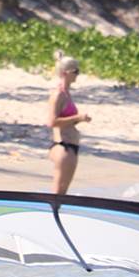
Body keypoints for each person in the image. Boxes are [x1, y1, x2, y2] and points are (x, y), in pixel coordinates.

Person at [46, 52, 87, 195]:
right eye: (76, 71)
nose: (78, 74)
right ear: (65, 73)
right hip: (63, 147)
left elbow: (66, 120)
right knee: (58, 193)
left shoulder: (66, 93)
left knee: (63, 193)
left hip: (71, 147)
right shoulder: (58, 95)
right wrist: (78, 117)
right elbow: (52, 122)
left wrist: (77, 119)